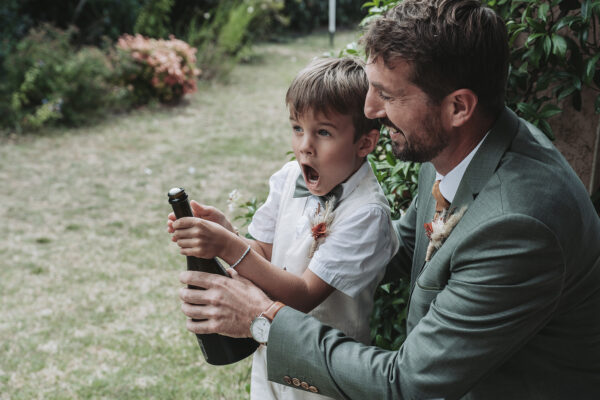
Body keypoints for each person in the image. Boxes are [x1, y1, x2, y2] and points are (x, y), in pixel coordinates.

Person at [173, 0, 600, 399]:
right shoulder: (455, 149)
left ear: (458, 107)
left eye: (388, 96)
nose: (370, 109)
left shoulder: (518, 225)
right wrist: (254, 249)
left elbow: (409, 382)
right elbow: (401, 247)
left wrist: (260, 320)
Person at [168, 57, 399, 399]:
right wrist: (228, 232)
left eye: (323, 132)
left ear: (364, 143)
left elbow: (302, 296)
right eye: (297, 128)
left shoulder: (367, 214)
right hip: (272, 357)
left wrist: (228, 247)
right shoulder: (289, 178)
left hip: (325, 374)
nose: (305, 145)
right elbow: (264, 256)